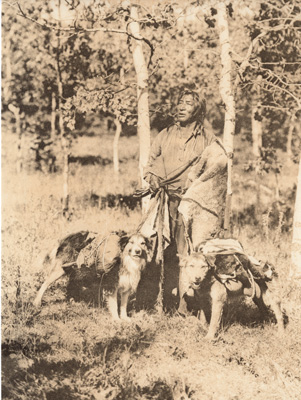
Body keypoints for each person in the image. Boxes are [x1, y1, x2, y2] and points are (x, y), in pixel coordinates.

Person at [143, 88, 221, 310]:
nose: (181, 106)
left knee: (187, 253)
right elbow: (149, 165)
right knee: (159, 250)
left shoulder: (208, 139)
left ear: (198, 109)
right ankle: (158, 302)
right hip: (164, 202)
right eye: (179, 102)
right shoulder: (165, 134)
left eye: (188, 103)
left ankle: (187, 306)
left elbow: (217, 170)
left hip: (193, 206)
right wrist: (153, 179)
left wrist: (196, 188)